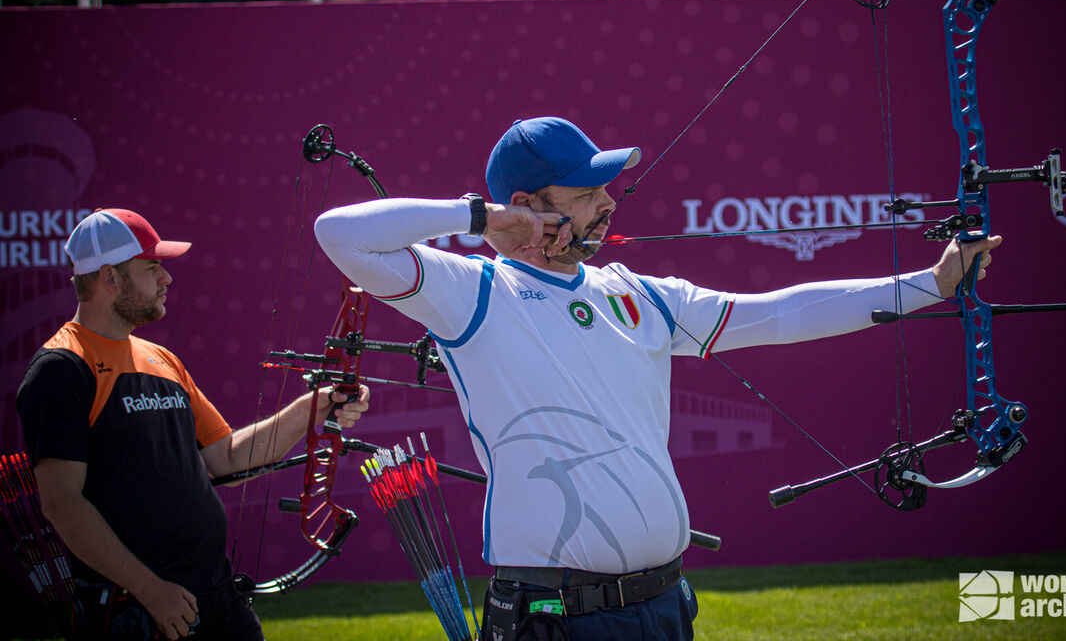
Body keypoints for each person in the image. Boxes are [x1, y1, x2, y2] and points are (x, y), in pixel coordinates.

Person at [313, 116, 1000, 641]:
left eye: (605, 188)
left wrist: (932, 285)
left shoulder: (637, 294)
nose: (607, 203)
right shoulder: (470, 290)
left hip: (664, 606)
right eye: (586, 193)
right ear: (526, 204)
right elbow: (338, 233)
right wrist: (477, 217)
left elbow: (780, 314)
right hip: (555, 617)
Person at [16, 208, 371, 641]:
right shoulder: (62, 368)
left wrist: (312, 407)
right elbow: (62, 504)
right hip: (142, 607)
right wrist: (150, 590)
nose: (166, 279)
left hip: (214, 595)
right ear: (109, 278)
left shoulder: (162, 360)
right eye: (152, 268)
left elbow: (227, 458)